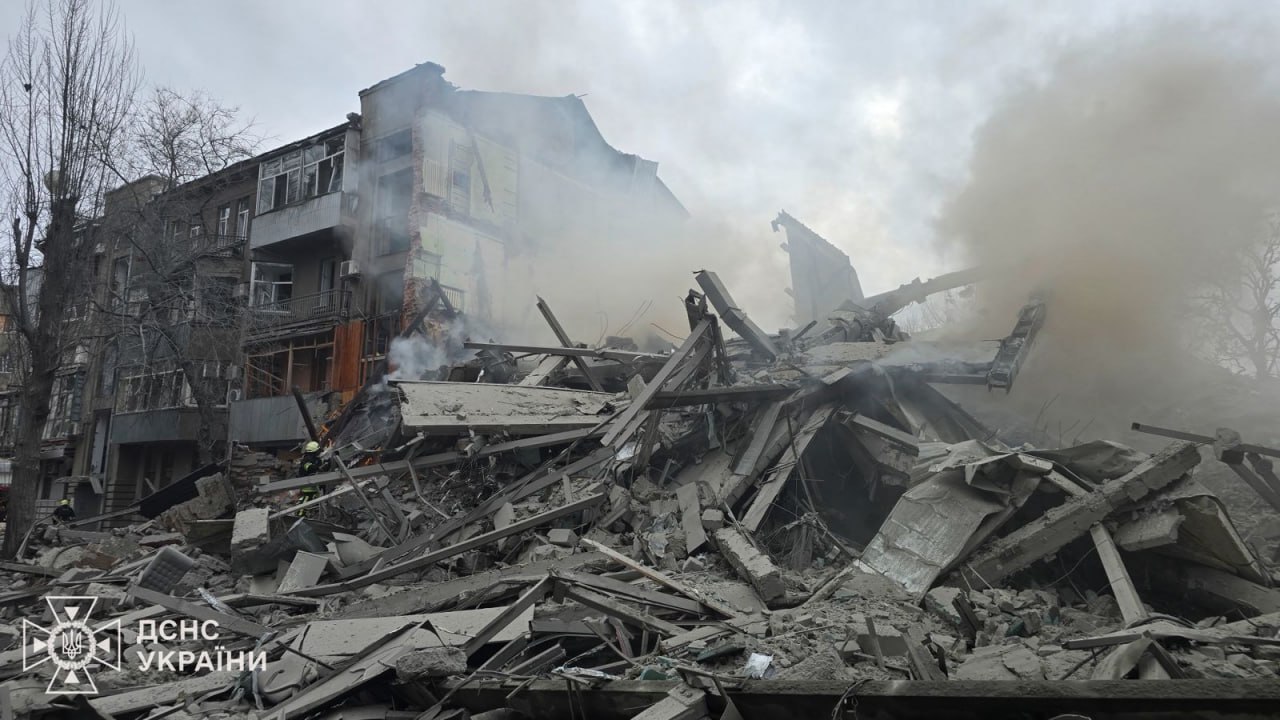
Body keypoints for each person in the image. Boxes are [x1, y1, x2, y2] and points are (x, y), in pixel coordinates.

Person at [297, 441, 325, 509]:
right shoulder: (306, 460)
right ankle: (300, 514)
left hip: (316, 487)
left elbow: (321, 467)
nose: (319, 452)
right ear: (314, 451)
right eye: (318, 451)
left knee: (316, 505)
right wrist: (318, 468)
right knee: (305, 505)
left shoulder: (317, 459)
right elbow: (310, 468)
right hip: (308, 487)